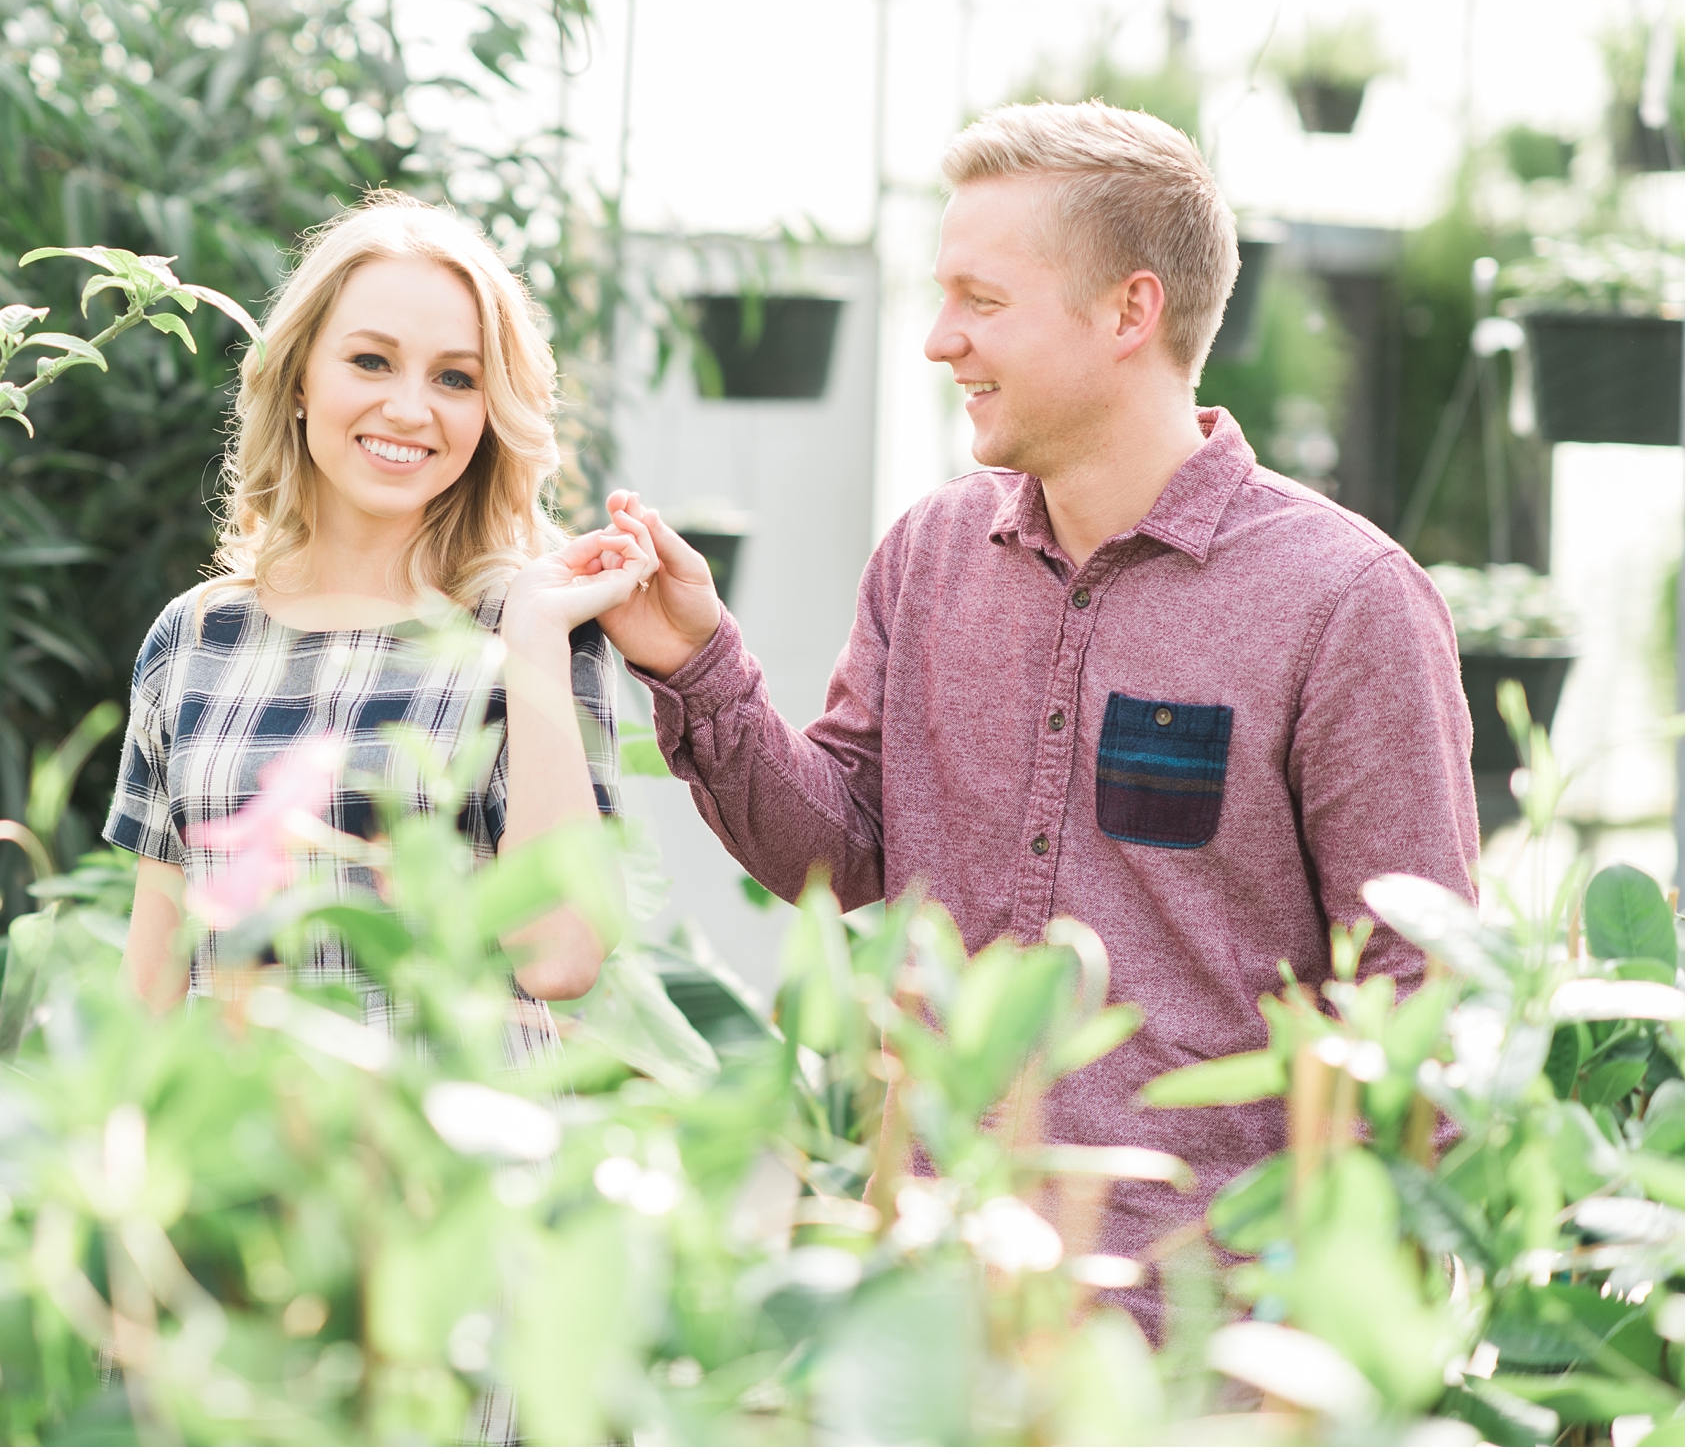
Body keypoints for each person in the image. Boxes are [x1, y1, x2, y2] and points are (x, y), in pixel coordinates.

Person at [596, 102, 1481, 1316]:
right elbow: (844, 854)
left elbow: (1409, 988)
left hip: (1203, 1334)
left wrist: (1347, 1333)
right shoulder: (929, 557)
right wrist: (697, 661)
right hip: (939, 1291)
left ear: (1129, 312)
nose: (938, 340)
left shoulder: (1345, 603)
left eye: (981, 299)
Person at [106, 191, 655, 1057]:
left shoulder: (532, 630)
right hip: (238, 1172)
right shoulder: (193, 640)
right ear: (297, 380)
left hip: (451, 1175)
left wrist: (536, 640)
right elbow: (151, 988)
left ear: (489, 413)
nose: (409, 408)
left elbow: (561, 956)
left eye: (455, 378)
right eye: (370, 361)